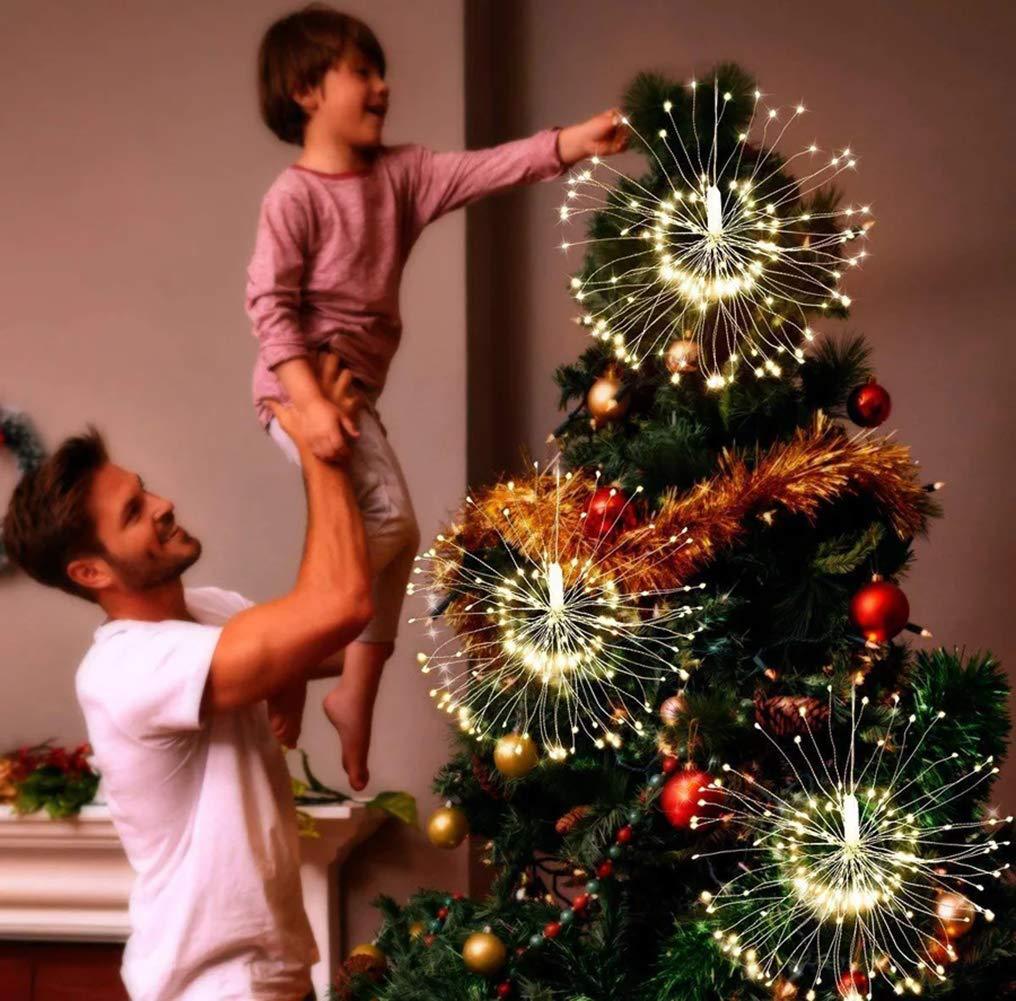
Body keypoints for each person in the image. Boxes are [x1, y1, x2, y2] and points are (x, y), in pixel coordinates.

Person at [247, 3, 631, 790]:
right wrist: (309, 405)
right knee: (388, 525)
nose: (384, 84)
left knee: (387, 548)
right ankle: (289, 652)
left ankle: (352, 693)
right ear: (306, 89)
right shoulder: (295, 197)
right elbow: (268, 303)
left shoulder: (403, 176)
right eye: (362, 71)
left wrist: (573, 144)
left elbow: (489, 167)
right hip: (299, 391)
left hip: (350, 395)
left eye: (381, 69)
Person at [1, 361, 369, 1001]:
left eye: (146, 490)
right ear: (91, 573)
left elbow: (337, 637)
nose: (164, 505)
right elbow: (341, 605)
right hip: (211, 985)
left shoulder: (213, 611)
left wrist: (285, 676)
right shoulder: (124, 669)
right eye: (135, 511)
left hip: (277, 970)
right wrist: (320, 452)